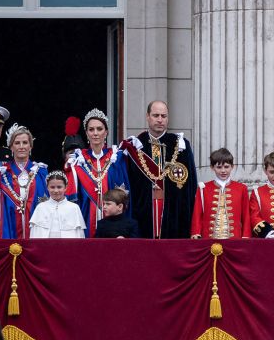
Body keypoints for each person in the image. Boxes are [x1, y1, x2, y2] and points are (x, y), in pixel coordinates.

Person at [121, 100, 197, 239]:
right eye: (156, 115)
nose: (160, 120)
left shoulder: (181, 145)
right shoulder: (135, 146)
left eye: (164, 116)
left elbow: (191, 185)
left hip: (173, 213)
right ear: (147, 116)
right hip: (143, 212)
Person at [65, 109, 130, 238]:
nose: (95, 133)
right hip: (86, 217)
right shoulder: (78, 160)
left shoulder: (116, 157)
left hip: (113, 223)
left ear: (106, 132)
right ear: (86, 133)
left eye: (99, 129)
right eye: (91, 129)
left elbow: (124, 193)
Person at [0, 124, 49, 240]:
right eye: (17, 143)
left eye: (25, 143)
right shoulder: (1, 174)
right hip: (9, 228)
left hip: (36, 230)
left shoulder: (41, 173)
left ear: (31, 146)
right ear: (11, 147)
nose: (21, 147)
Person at [190, 148, 252, 239]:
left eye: (226, 167)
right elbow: (197, 214)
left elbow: (246, 216)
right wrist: (196, 233)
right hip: (208, 240)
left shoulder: (241, 188)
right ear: (212, 167)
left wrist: (246, 236)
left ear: (232, 166)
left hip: (235, 240)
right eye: (219, 167)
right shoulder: (203, 188)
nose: (223, 171)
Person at [29, 172, 86, 239]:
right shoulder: (40, 207)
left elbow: (80, 235)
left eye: (59, 187)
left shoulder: (74, 208)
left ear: (65, 187)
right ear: (47, 188)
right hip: (45, 247)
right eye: (52, 187)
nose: (56, 190)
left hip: (67, 247)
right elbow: (34, 234)